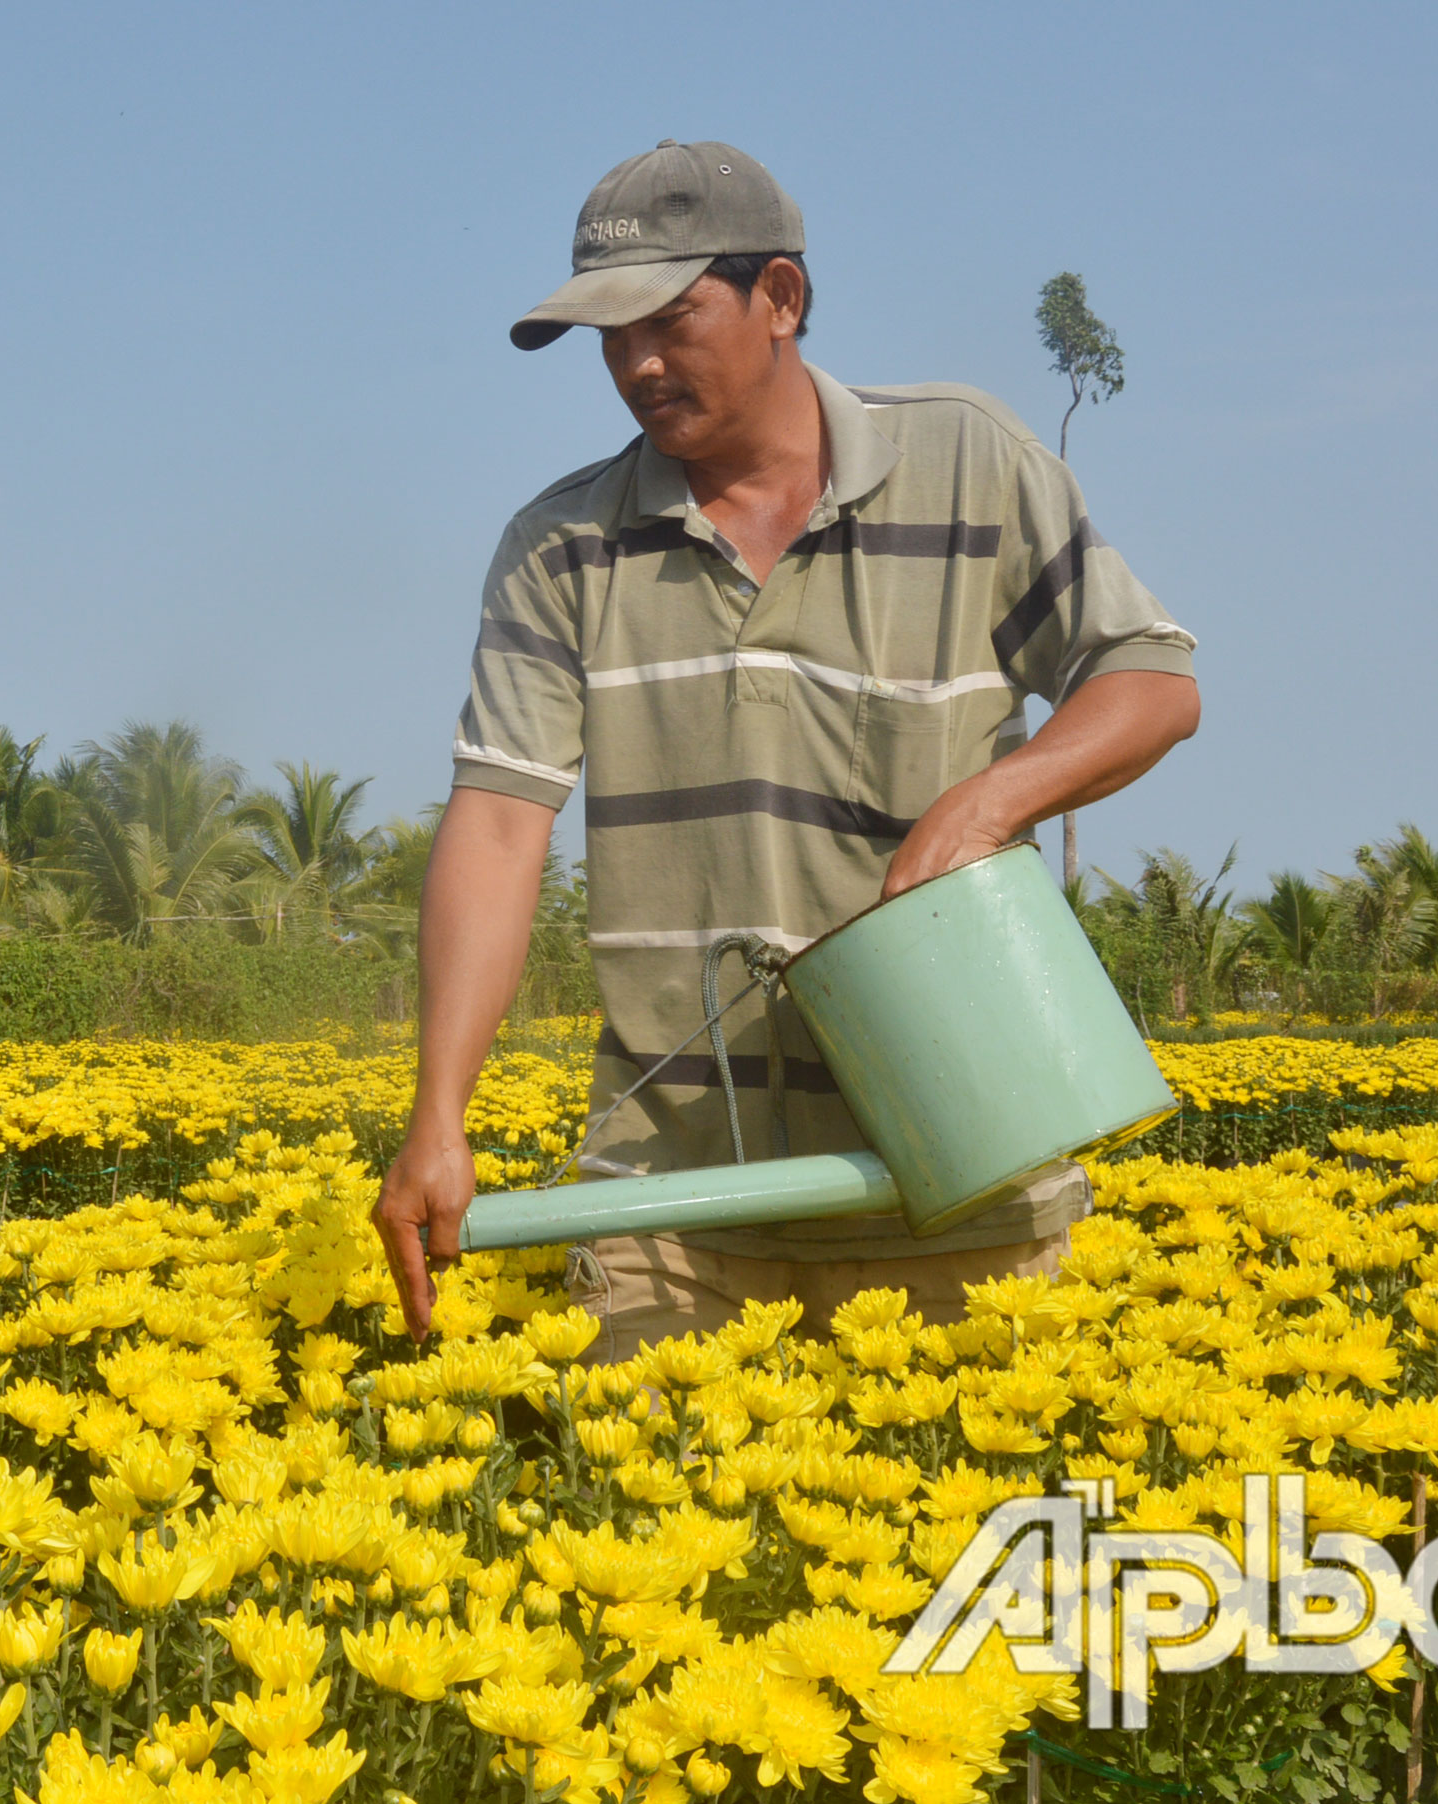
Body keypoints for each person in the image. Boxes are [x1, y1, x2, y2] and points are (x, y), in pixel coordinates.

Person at [370, 140, 1201, 1356]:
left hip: (962, 1166)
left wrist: (986, 804)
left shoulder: (965, 460)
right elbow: (499, 825)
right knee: (657, 1530)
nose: (637, 363)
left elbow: (1150, 679)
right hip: (670, 1201)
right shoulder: (563, 546)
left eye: (668, 317)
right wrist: (436, 1112)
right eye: (608, 337)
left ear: (781, 299)